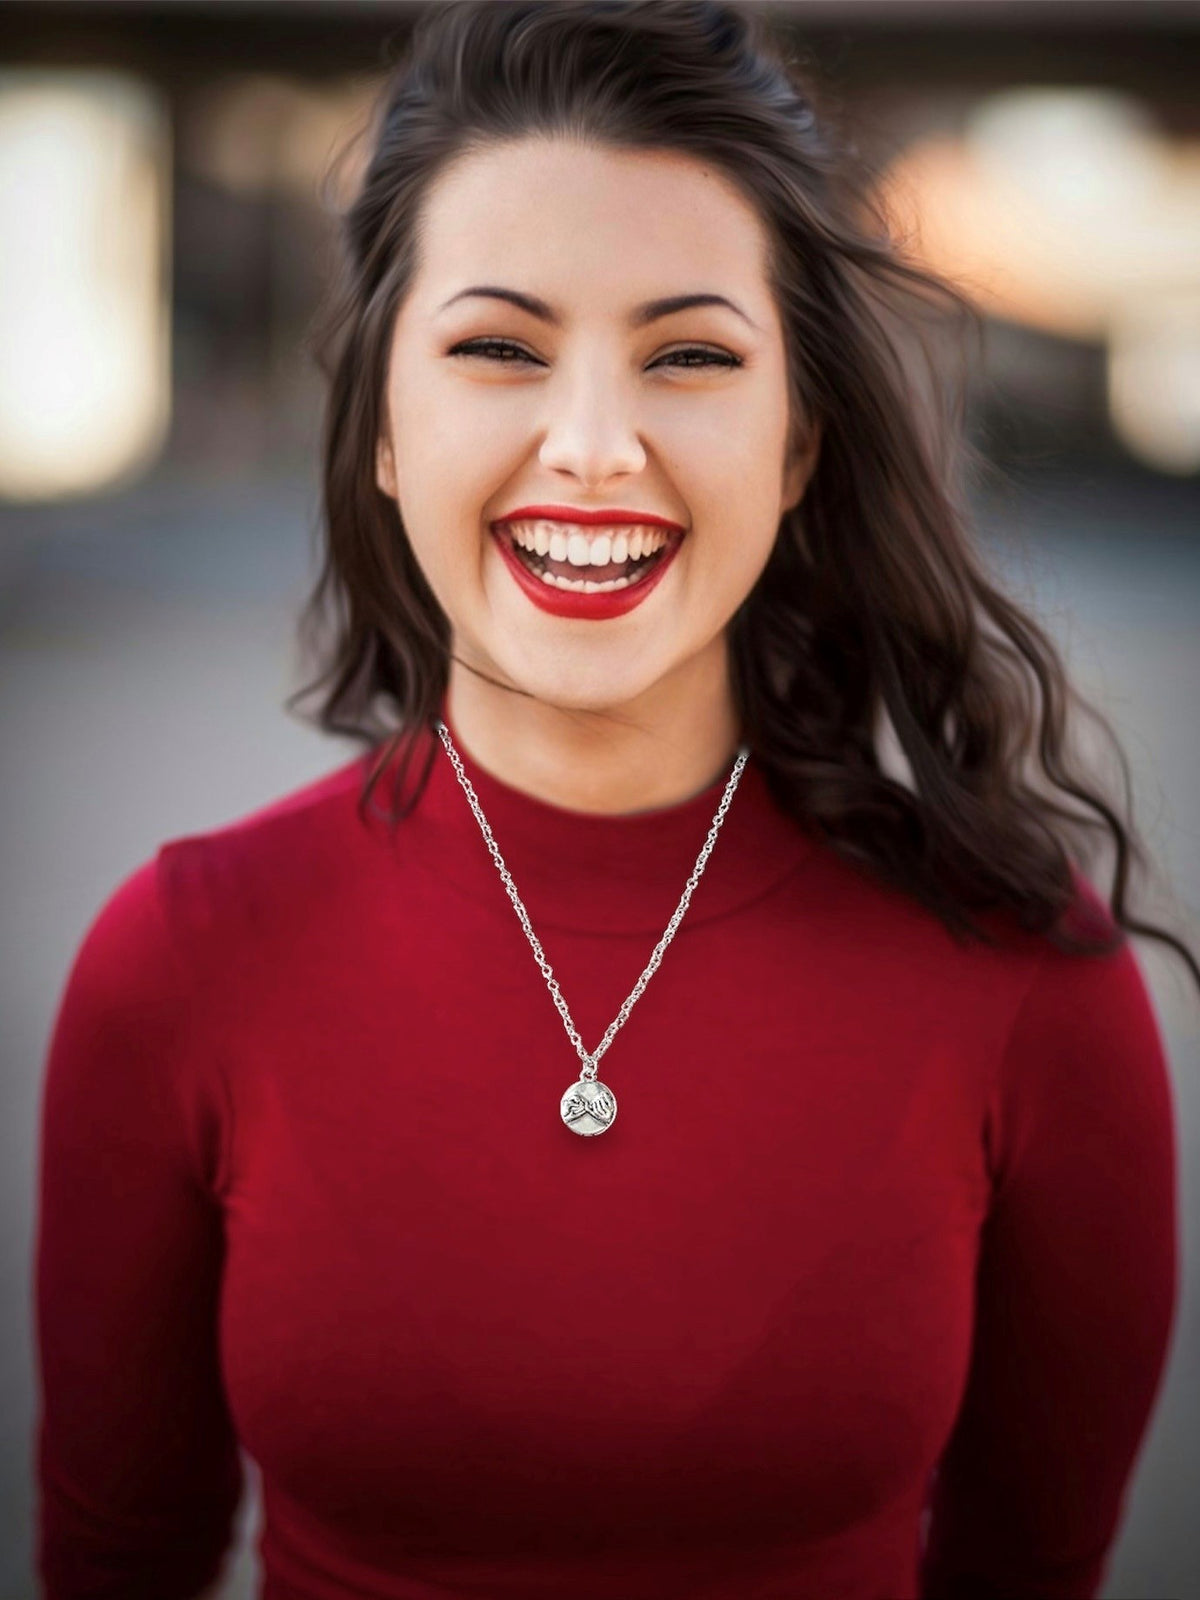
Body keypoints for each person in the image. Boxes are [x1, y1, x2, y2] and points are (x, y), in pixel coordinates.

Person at [33, 3, 1193, 1597]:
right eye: (499, 348)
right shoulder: (180, 964)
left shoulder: (1025, 977)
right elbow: (114, 1564)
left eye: (693, 356)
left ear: (798, 443)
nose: (591, 448)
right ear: (380, 423)